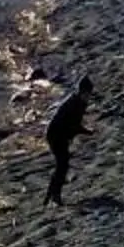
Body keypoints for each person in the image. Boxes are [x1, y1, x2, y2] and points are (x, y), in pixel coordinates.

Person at [44, 75, 94, 205]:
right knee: (62, 165)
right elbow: (73, 125)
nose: (88, 96)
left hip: (61, 135)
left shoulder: (79, 102)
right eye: (87, 93)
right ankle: (54, 195)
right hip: (55, 135)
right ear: (81, 92)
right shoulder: (75, 104)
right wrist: (87, 132)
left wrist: (84, 131)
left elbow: (74, 125)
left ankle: (52, 194)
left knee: (62, 165)